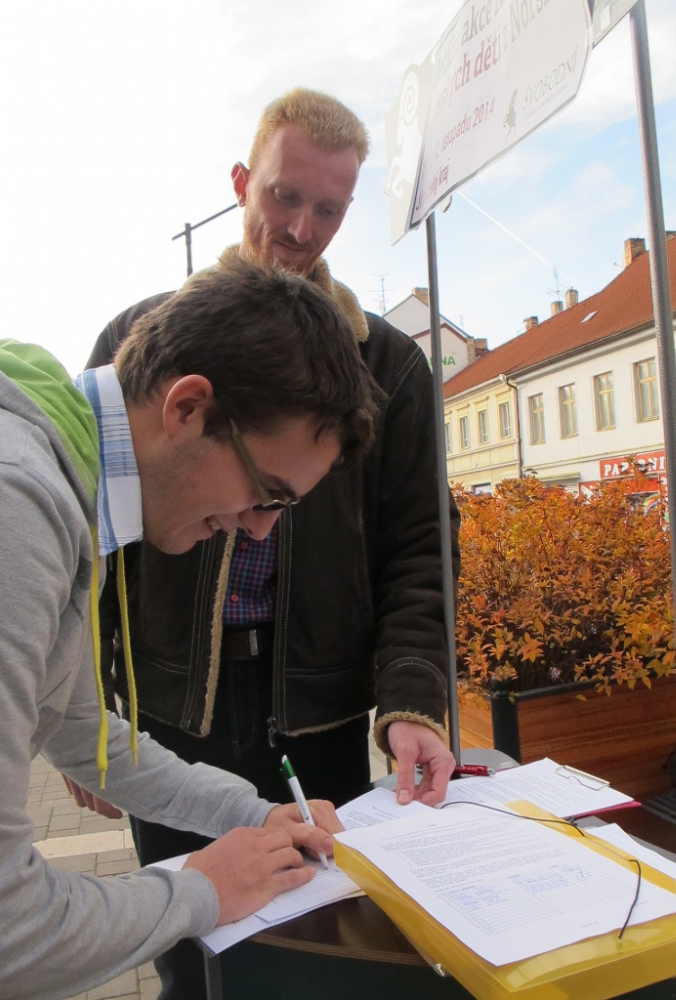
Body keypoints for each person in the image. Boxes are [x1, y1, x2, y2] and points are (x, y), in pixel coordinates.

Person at [84, 87, 459, 999]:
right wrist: (92, 721)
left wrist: (412, 698)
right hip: (174, 705)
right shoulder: (145, 340)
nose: (299, 228)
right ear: (243, 183)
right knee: (190, 948)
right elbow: (90, 551)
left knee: (311, 949)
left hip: (321, 711)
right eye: (284, 197)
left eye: (327, 208)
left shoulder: (391, 365)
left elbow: (421, 543)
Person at [0, 259, 379, 1000]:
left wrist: (260, 813)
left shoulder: (71, 481)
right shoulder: (21, 505)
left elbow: (83, 734)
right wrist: (202, 892)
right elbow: (12, 929)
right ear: (187, 408)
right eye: (267, 494)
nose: (262, 533)